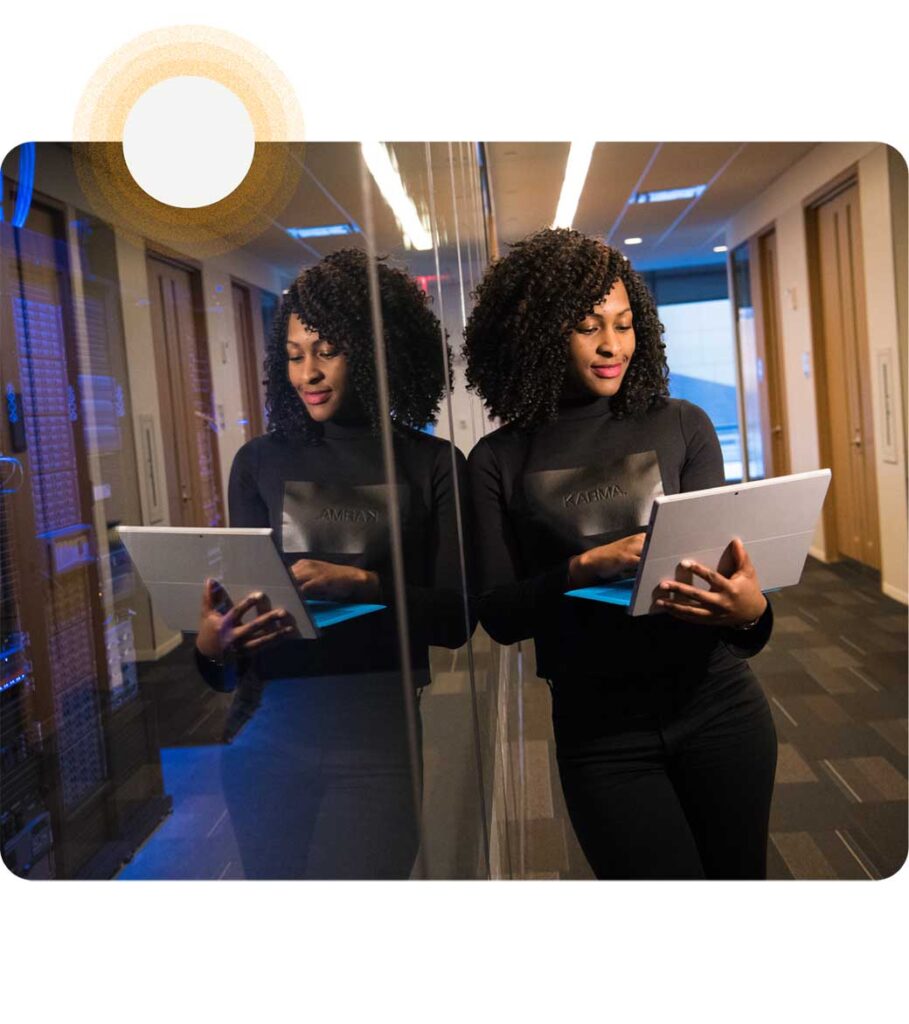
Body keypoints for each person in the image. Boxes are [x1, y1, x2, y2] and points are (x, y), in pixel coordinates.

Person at [464, 228, 777, 880]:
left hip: (718, 708)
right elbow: (498, 612)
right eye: (587, 327)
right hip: (601, 735)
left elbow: (725, 586)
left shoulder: (682, 424)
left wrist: (749, 613)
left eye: (624, 323)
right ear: (539, 335)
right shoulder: (497, 460)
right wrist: (583, 568)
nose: (612, 346)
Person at [194, 248, 472, 879]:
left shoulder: (431, 463)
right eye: (295, 355)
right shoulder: (259, 463)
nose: (308, 373)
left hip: (378, 737)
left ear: (376, 354)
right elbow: (232, 649)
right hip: (263, 734)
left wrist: (365, 584)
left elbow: (456, 618)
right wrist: (213, 647)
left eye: (327, 351)